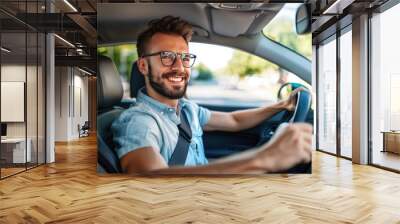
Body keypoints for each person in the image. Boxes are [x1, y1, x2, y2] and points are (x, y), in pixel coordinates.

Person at [111, 16, 312, 174]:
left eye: (185, 58)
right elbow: (149, 181)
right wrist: (265, 158)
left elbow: (234, 120)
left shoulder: (187, 109)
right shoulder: (138, 122)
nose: (180, 67)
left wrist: (281, 106)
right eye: (167, 57)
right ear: (144, 66)